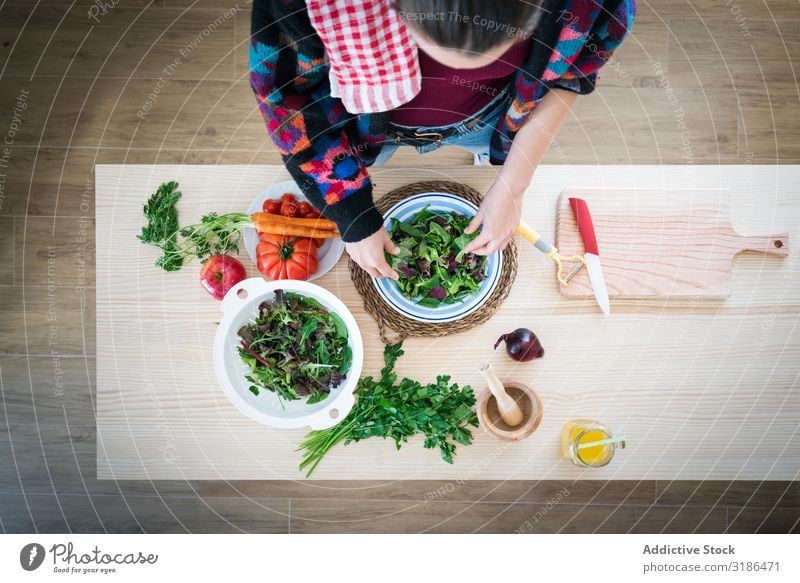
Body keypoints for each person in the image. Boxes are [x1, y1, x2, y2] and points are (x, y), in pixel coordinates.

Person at [250, 0, 635, 279]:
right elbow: (287, 103)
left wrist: (514, 185)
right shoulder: (300, 5)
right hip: (362, 128)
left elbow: (570, 74)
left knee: (493, 174)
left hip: (491, 120)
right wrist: (353, 214)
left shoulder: (590, 6)